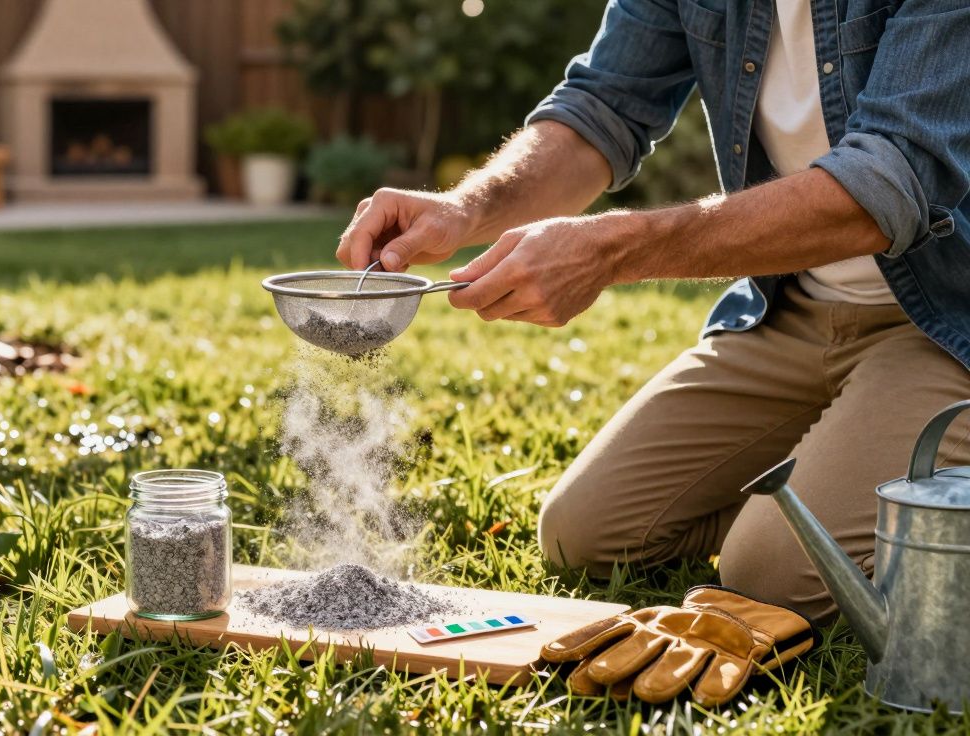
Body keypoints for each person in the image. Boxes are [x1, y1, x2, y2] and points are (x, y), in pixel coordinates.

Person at [337, 0, 970, 622]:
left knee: (771, 573)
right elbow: (602, 106)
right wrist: (466, 209)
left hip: (946, 325)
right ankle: (841, 476)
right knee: (582, 536)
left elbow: (887, 183)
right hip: (792, 308)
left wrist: (613, 250)